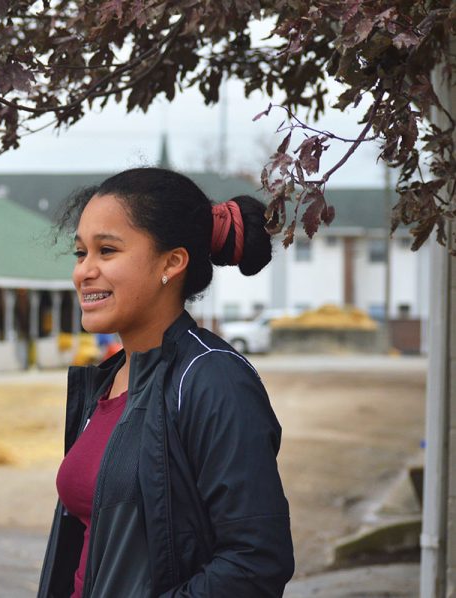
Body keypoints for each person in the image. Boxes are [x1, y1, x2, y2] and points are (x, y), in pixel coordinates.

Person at [37, 168, 294, 597]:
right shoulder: (107, 381)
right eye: (80, 253)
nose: (84, 271)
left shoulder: (213, 380)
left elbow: (255, 563)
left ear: (171, 263)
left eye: (107, 250)